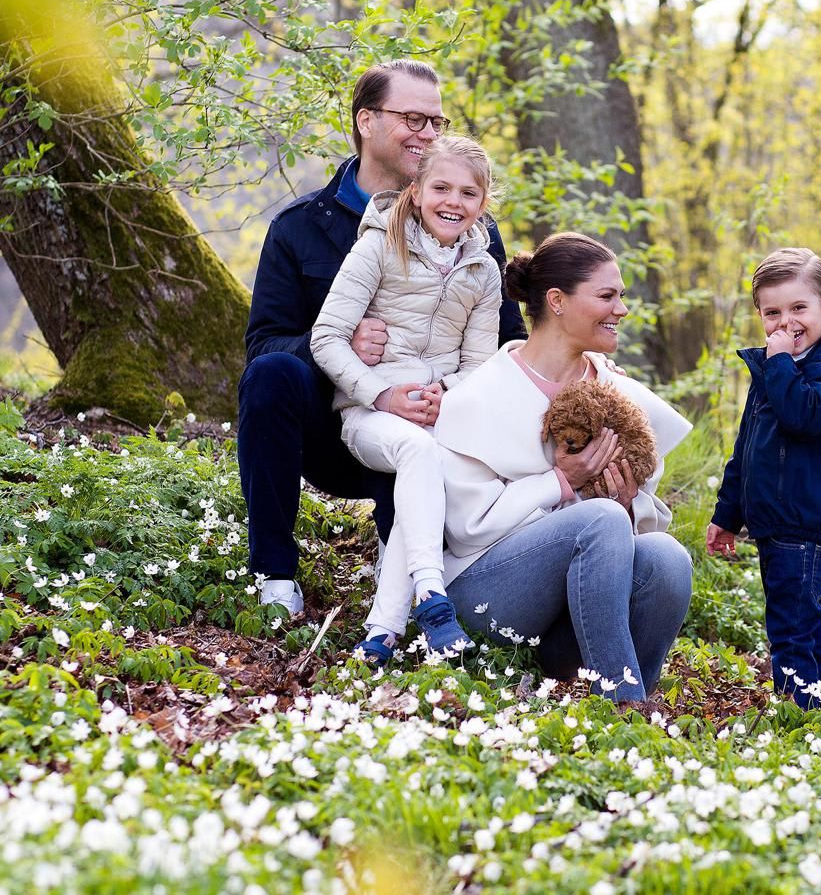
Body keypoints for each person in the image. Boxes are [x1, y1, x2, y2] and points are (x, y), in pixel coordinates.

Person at [238, 59, 526, 614]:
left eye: (437, 122)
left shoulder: (474, 235)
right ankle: (274, 575)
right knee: (272, 374)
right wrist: (350, 348)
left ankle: (410, 557)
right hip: (335, 423)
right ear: (366, 120)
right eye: (413, 118)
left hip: (433, 421)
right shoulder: (299, 227)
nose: (428, 133)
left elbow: (504, 339)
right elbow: (266, 343)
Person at [433, 232, 694, 703]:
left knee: (667, 557)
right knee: (601, 519)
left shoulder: (617, 392)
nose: (622, 309)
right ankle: (625, 706)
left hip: (573, 617)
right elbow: (467, 530)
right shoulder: (480, 394)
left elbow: (636, 522)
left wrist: (628, 503)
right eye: (607, 296)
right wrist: (560, 483)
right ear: (557, 301)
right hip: (487, 597)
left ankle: (627, 699)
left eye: (622, 296)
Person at [310, 136, 499, 661]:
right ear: (415, 192)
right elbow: (325, 337)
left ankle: (381, 633)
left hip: (438, 418)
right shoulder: (377, 245)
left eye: (468, 193)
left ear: (483, 203)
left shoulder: (483, 272)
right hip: (371, 416)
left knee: (432, 464)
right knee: (419, 453)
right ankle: (433, 598)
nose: (452, 202)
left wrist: (448, 393)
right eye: (441, 188)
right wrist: (382, 394)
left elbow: (479, 366)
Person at [706, 247, 821, 710]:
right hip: (775, 520)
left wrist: (777, 364)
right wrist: (727, 514)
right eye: (772, 312)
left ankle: (801, 710)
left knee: (791, 622)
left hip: (806, 517)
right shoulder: (774, 370)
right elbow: (747, 448)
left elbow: (803, 417)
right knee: (803, 617)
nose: (785, 322)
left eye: (799, 308)